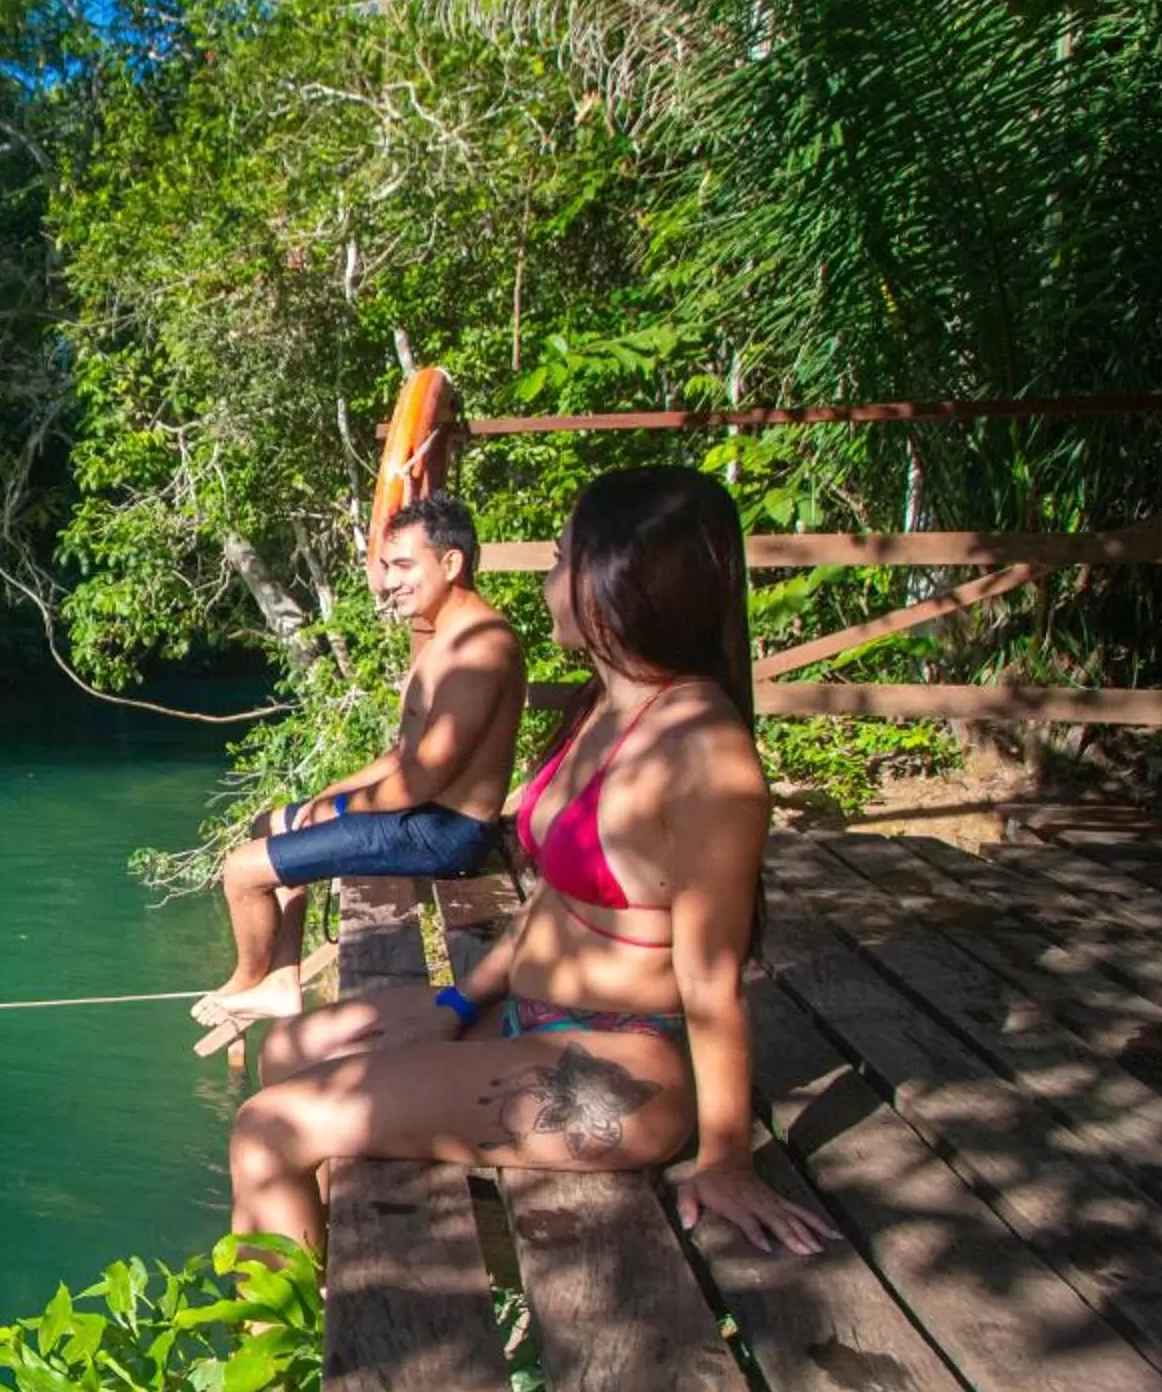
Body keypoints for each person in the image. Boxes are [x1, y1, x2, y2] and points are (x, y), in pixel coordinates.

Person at [224, 466, 835, 1257]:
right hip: (522, 1014)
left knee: (266, 1130)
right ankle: (337, 1269)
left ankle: (282, 1370)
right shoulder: (608, 709)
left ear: (619, 582)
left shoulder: (703, 758)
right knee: (285, 1049)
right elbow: (557, 901)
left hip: (611, 1069)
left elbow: (713, 979)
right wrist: (453, 1005)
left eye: (559, 560)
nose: (546, 580)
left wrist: (726, 1159)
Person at [194, 495, 525, 1029]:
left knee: (242, 872)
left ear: (451, 563)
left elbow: (422, 779)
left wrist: (343, 807)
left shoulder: (478, 651)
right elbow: (405, 752)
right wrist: (331, 796)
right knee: (272, 822)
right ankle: (281, 977)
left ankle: (248, 982)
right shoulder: (445, 634)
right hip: (423, 815)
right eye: (387, 567)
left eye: (402, 566)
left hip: (446, 832)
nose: (389, 582)